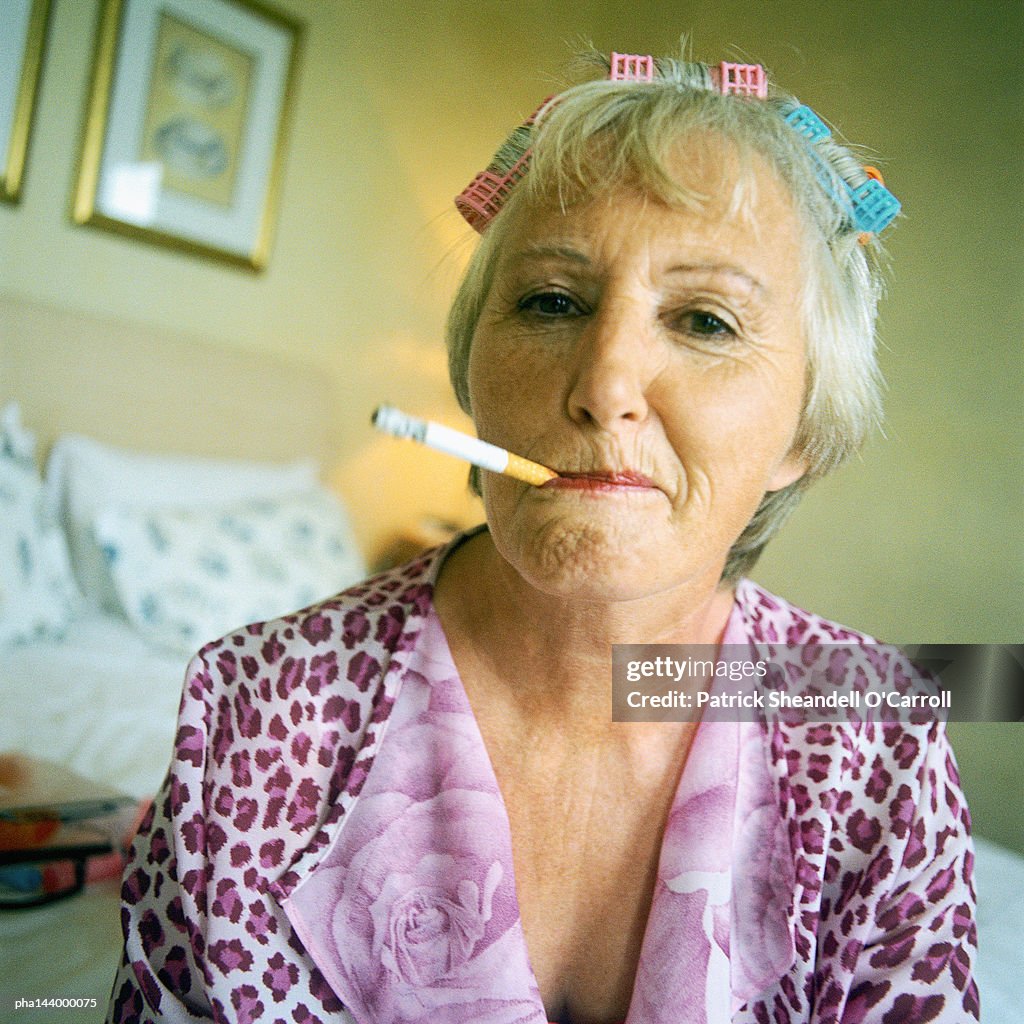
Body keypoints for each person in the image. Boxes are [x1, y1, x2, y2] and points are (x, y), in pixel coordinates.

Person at [108, 46, 977, 1024]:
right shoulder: (253, 713)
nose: (605, 386)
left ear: (803, 431)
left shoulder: (874, 732)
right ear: (473, 368)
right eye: (552, 301)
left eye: (704, 319)